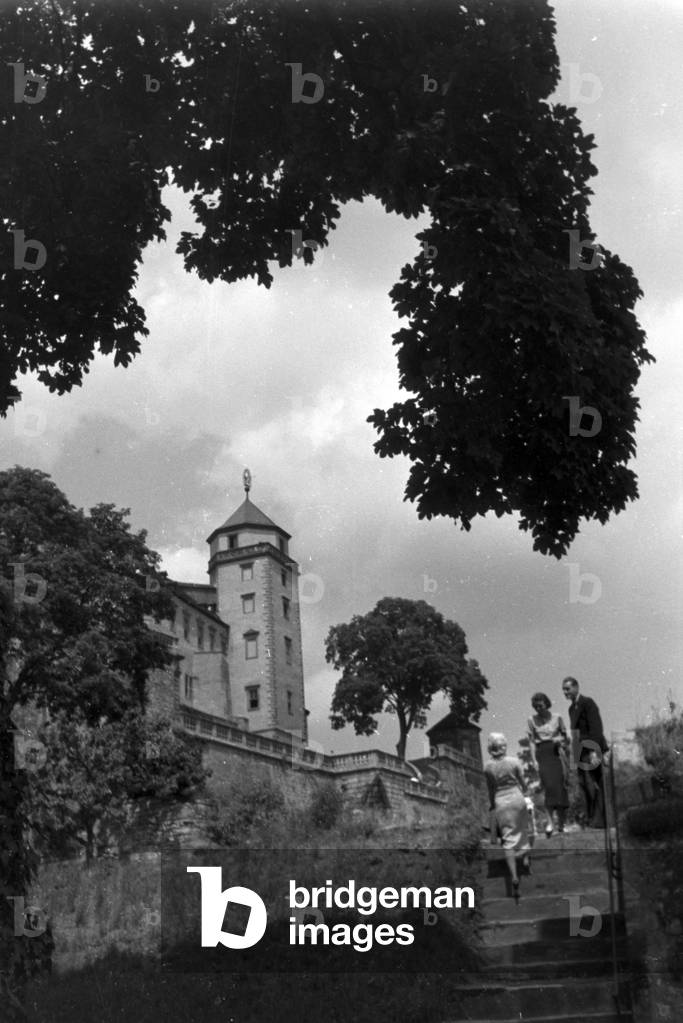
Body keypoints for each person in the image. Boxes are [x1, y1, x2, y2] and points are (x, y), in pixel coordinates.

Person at [484, 732, 532, 899]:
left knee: (508, 839)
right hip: (516, 797)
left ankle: (514, 876)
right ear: (503, 746)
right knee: (523, 827)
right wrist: (526, 792)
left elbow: (490, 789)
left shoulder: (487, 767)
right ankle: (525, 856)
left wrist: (493, 804)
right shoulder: (514, 762)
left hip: (501, 801)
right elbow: (523, 784)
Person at [562, 676, 609, 828]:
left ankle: (601, 821)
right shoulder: (571, 709)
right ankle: (592, 820)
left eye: (568, 689)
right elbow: (575, 734)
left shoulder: (588, 703)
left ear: (576, 687)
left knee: (597, 785)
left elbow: (596, 728)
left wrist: (594, 751)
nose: (565, 692)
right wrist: (574, 759)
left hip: (592, 750)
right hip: (580, 753)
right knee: (585, 787)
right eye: (563, 690)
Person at [527, 692, 570, 837]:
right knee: (549, 788)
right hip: (542, 754)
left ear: (546, 704)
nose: (538, 709)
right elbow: (531, 742)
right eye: (536, 707)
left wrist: (560, 741)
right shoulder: (531, 720)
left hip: (556, 753)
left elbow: (566, 738)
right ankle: (550, 822)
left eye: (541, 706)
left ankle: (562, 824)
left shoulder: (557, 718)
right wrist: (534, 760)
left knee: (560, 789)